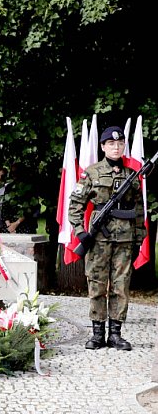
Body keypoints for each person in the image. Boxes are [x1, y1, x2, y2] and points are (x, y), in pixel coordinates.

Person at [68, 125, 145, 351]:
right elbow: (75, 205)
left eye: (120, 143)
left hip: (125, 238)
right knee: (97, 283)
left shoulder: (131, 175)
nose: (116, 147)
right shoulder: (91, 173)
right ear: (103, 146)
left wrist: (139, 237)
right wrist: (81, 232)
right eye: (111, 144)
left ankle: (115, 334)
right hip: (98, 239)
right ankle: (97, 333)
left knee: (121, 285)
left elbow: (138, 209)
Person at [0, 162, 38, 234]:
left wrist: (16, 223)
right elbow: (4, 208)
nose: (14, 174)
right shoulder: (9, 187)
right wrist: (9, 225)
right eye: (12, 172)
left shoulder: (29, 188)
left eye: (16, 172)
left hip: (25, 223)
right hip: (9, 224)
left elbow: (30, 209)